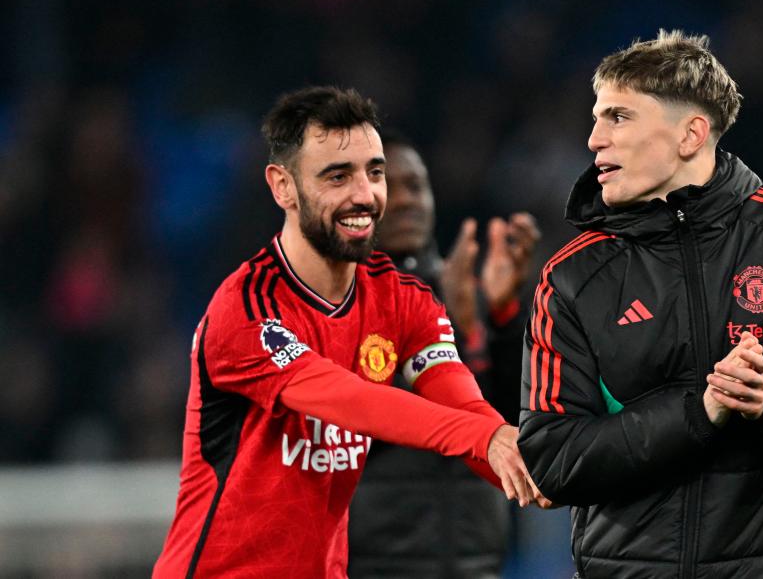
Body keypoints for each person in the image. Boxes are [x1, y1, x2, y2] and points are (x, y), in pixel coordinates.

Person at [517, 30, 763, 578]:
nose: (593, 140)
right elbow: (551, 459)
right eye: (596, 118)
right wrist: (699, 413)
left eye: (618, 117)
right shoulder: (572, 277)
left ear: (691, 134)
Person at [154, 86, 543, 579]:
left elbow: (461, 404)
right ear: (283, 187)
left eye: (373, 172)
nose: (365, 195)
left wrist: (536, 470)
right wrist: (485, 436)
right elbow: (353, 401)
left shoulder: (403, 298)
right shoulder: (247, 308)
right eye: (337, 176)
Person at [348, 135, 540, 578]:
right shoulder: (339, 304)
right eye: (390, 187)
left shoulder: (467, 296)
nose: (406, 202)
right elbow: (369, 429)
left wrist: (505, 315)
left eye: (416, 186)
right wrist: (461, 328)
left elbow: (522, 427)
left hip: (477, 564)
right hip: (375, 568)